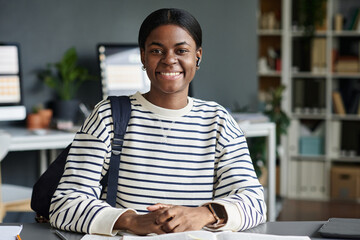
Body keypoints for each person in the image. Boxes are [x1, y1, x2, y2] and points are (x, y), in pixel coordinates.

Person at [50, 8, 266, 236]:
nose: (169, 60)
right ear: (143, 56)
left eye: (181, 50)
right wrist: (131, 220)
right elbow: (64, 204)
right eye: (156, 50)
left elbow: (255, 203)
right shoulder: (108, 116)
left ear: (198, 56)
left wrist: (203, 214)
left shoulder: (219, 122)